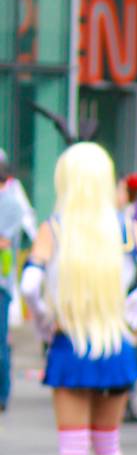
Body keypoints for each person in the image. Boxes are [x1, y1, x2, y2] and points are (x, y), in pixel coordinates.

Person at [19, 142, 137, 455]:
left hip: (70, 343)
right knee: (108, 449)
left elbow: (30, 283)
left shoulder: (55, 228)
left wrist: (44, 320)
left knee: (73, 453)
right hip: (115, 342)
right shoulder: (124, 227)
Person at [0, 156, 38, 412]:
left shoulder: (11, 204)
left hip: (1, 283)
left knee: (0, 343)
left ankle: (2, 394)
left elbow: (4, 241)